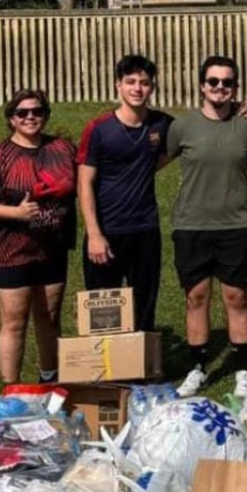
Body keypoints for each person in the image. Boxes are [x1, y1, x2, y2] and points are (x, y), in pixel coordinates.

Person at [165, 55, 247, 396]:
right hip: (191, 225)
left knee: (236, 296)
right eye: (213, 82)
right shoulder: (183, 126)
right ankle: (198, 367)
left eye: (228, 82)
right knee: (196, 297)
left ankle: (241, 370)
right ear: (202, 85)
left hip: (234, 223)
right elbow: (157, 161)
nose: (220, 87)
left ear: (236, 87)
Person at [0, 89, 77, 385]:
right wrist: (15, 213)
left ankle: (50, 380)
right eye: (22, 113)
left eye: (37, 111)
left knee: (50, 317)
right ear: (11, 119)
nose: (30, 117)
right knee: (15, 322)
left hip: (53, 248)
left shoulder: (63, 149)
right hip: (10, 251)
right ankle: (12, 391)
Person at [77, 54, 172, 333]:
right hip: (106, 231)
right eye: (130, 82)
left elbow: (195, 134)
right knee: (103, 310)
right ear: (118, 85)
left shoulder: (162, 124)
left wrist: (237, 108)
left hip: (145, 229)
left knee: (144, 305)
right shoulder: (99, 129)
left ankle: (143, 372)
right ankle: (107, 373)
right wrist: (94, 234)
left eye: (144, 82)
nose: (137, 88)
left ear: (152, 87)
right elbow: (84, 184)